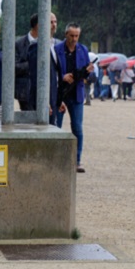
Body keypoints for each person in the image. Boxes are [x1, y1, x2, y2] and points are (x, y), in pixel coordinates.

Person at [52, 22, 91, 173]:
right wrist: (62, 77)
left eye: (77, 36)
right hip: (60, 93)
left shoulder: (83, 50)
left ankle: (77, 160)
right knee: (56, 127)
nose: (74, 39)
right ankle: (56, 159)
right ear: (66, 34)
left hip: (76, 93)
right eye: (72, 35)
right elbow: (52, 71)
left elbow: (87, 70)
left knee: (78, 128)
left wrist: (88, 71)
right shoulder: (56, 49)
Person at [13, 12, 59, 112]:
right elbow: (13, 67)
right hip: (26, 93)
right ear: (39, 25)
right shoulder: (19, 44)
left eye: (55, 22)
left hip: (50, 93)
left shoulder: (55, 44)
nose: (54, 25)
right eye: (50, 22)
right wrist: (35, 64)